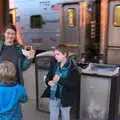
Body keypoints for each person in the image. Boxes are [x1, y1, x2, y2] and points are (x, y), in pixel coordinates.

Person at [42, 44, 80, 120]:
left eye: (58, 54)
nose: (55, 56)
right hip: (54, 95)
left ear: (65, 54)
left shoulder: (73, 69)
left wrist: (59, 80)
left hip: (66, 97)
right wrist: (48, 82)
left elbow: (73, 85)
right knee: (53, 114)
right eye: (54, 54)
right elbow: (49, 76)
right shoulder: (54, 64)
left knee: (65, 115)